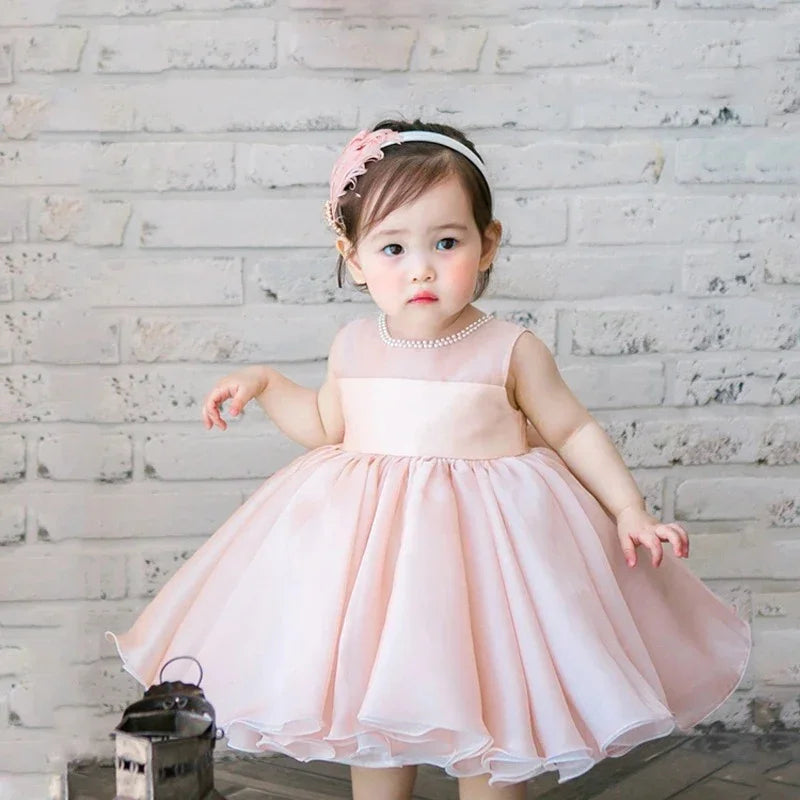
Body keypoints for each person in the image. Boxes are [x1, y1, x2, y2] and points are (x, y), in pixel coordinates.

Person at [105, 118, 752, 800]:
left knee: (495, 698)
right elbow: (327, 425)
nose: (420, 268)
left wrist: (629, 509)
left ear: (487, 243)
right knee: (374, 700)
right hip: (378, 567)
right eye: (392, 247)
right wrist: (265, 384)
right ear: (354, 257)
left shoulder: (509, 348)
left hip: (491, 563)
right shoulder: (354, 344)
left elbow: (572, 430)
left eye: (446, 242)